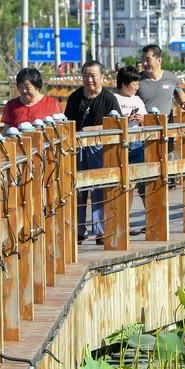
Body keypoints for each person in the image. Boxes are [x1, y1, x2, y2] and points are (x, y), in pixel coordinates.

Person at [64, 60, 119, 243]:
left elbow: (117, 124)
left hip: (99, 148)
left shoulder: (109, 99)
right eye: (86, 75)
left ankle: (101, 230)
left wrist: (93, 129)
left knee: (99, 188)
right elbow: (67, 123)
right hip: (78, 147)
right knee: (78, 188)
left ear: (102, 77)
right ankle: (79, 229)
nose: (89, 80)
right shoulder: (75, 98)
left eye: (93, 76)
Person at [113, 68, 148, 235]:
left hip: (138, 144)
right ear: (124, 83)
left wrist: (142, 119)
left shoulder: (138, 100)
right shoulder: (114, 99)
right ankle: (122, 222)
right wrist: (125, 120)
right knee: (123, 185)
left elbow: (148, 121)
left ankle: (146, 219)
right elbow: (109, 122)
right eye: (134, 83)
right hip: (121, 144)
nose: (136, 86)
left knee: (137, 184)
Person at [137, 44, 185, 117]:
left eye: (148, 60)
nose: (144, 63)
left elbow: (178, 93)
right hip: (144, 126)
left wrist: (184, 103)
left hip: (167, 125)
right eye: (143, 59)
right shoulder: (136, 79)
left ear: (159, 60)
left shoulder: (172, 78)